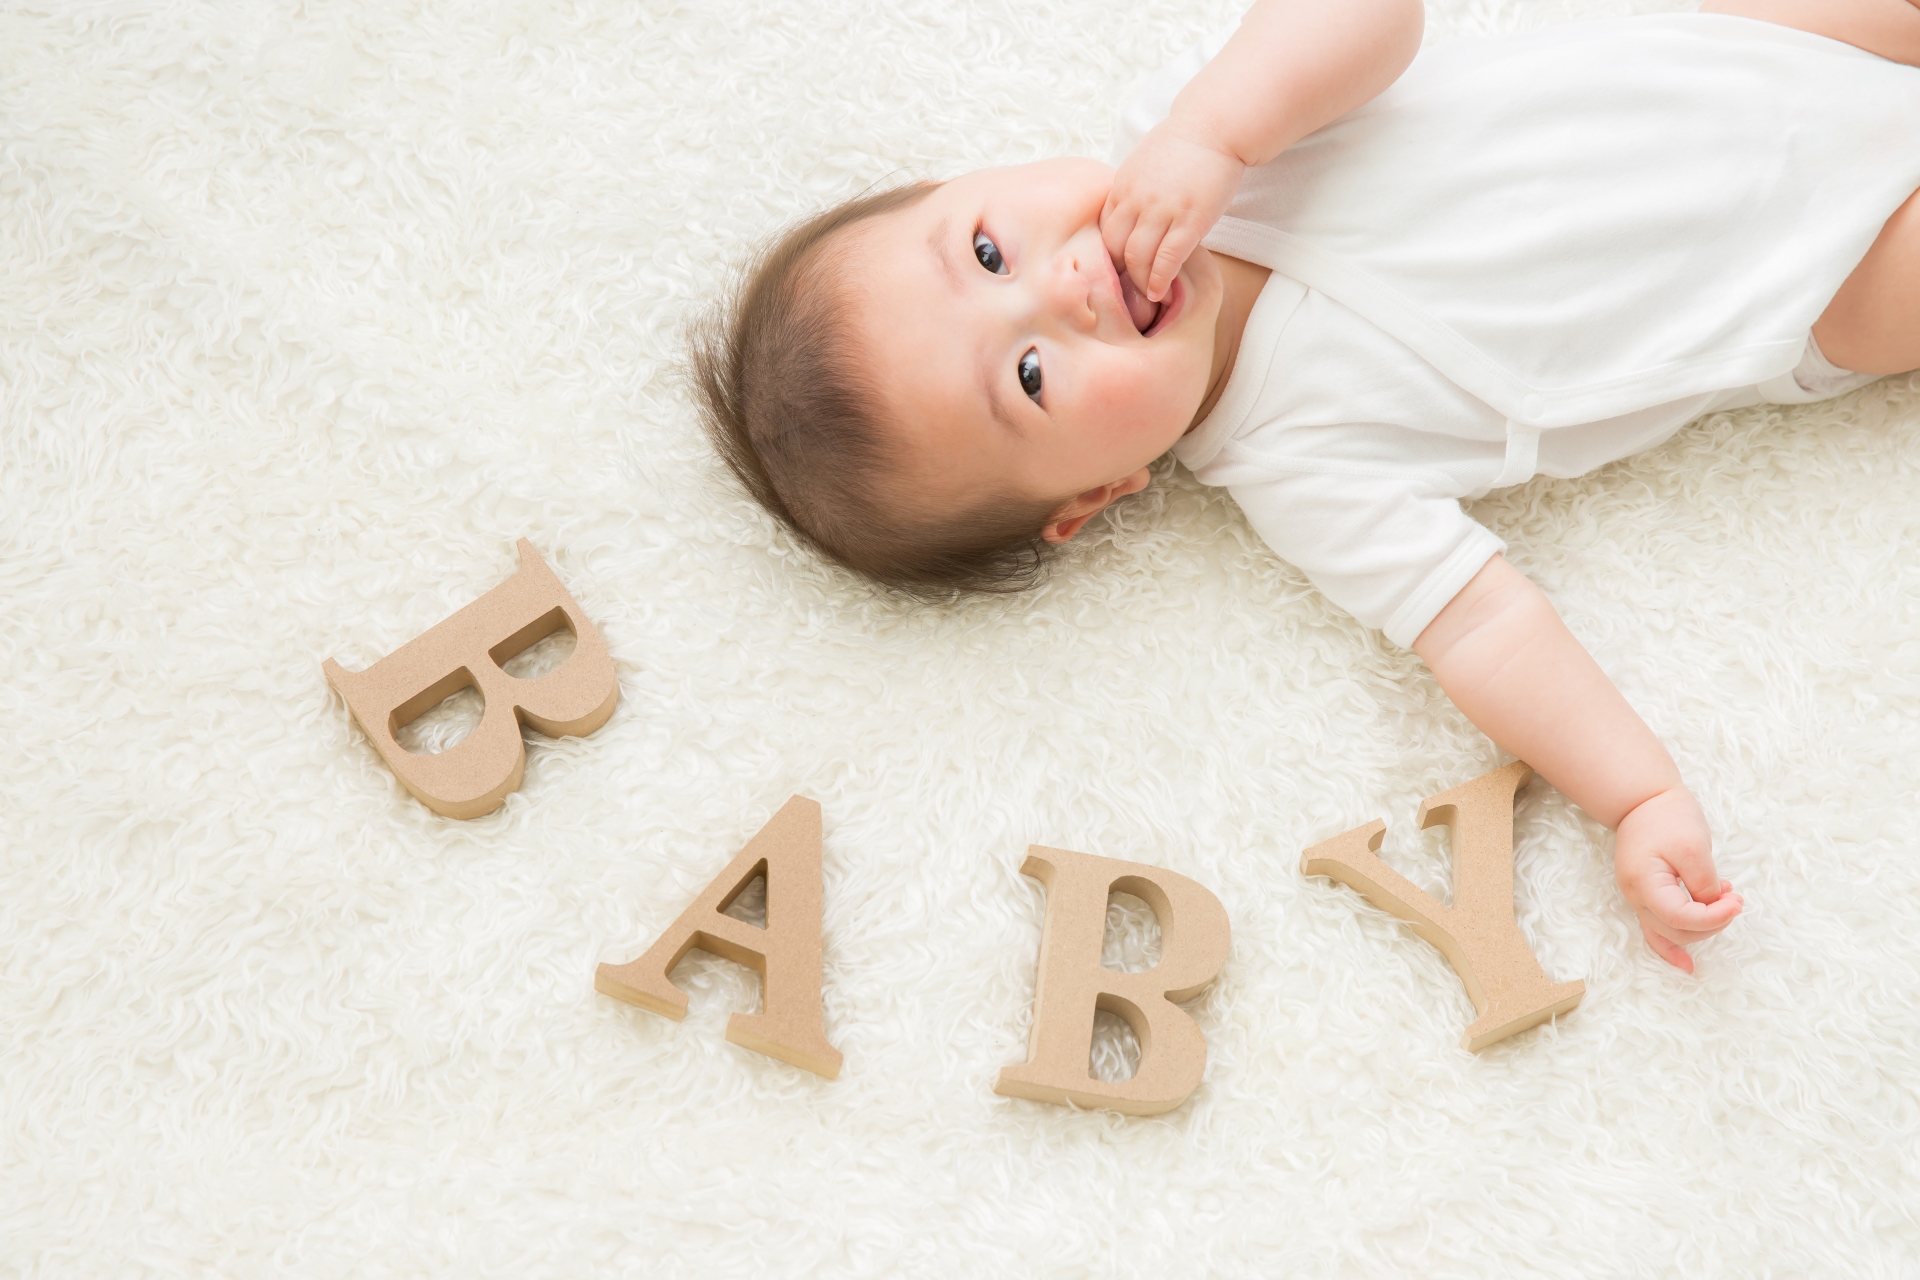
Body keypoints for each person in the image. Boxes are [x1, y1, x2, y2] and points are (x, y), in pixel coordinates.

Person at [690, 0, 1920, 971]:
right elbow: (1484, 622)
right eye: (1027, 374)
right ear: (1101, 492)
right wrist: (1636, 793)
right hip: (1817, 286)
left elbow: (1378, 15)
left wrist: (1217, 132)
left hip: (1753, 54)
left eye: (988, 248)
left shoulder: (1204, 127)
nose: (1057, 287)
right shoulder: (1294, 468)